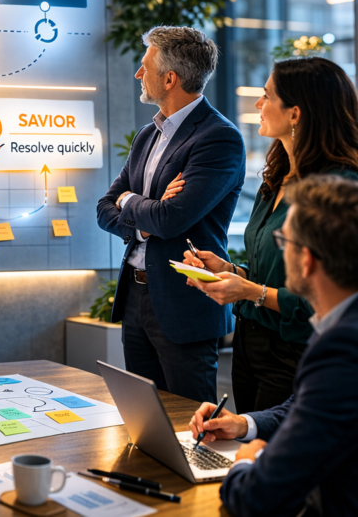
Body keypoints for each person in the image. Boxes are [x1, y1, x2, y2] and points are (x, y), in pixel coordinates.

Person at [178, 57, 358, 414]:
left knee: (275, 455)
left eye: (266, 96)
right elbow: (268, 268)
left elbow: (332, 297)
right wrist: (232, 271)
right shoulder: (275, 178)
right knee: (247, 441)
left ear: (295, 113)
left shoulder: (340, 188)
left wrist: (251, 292)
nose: (257, 105)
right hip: (251, 343)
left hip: (299, 350)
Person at [188, 176, 358, 517]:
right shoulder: (340, 329)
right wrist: (245, 425)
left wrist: (245, 464)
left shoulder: (341, 348)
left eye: (283, 241)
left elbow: (256, 498)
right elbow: (303, 407)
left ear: (307, 260)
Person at [97, 25, 246, 403]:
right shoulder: (148, 135)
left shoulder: (218, 138)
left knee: (190, 424)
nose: (137, 74)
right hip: (136, 295)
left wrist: (130, 202)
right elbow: (103, 208)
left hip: (185, 301)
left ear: (169, 78)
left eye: (144, 66)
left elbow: (172, 218)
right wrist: (146, 222)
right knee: (145, 416)